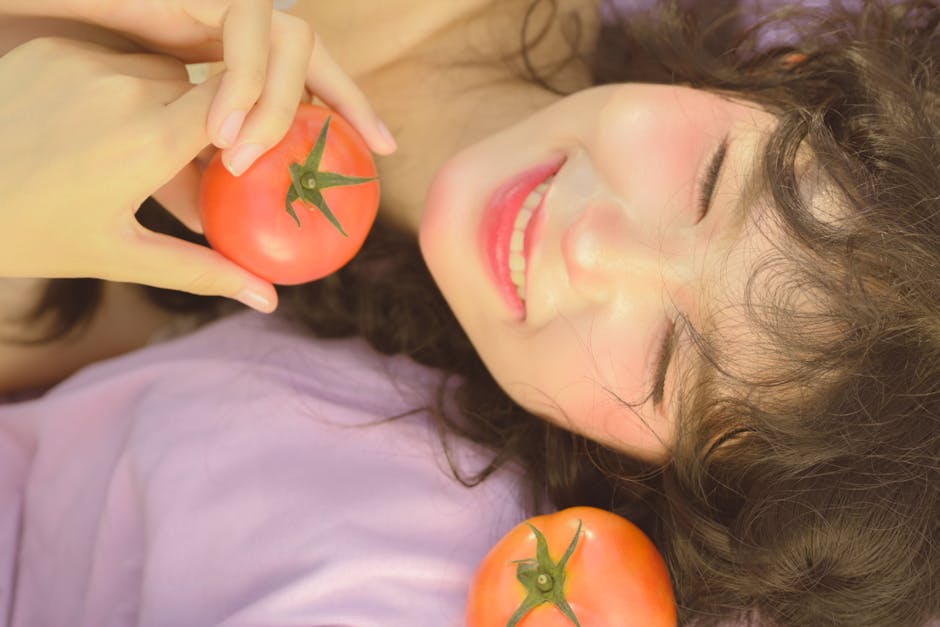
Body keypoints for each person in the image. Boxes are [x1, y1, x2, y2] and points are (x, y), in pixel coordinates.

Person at [0, 0, 938, 625]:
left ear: (659, 481)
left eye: (659, 358)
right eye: (708, 182)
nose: (596, 246)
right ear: (787, 74)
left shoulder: (279, 376)